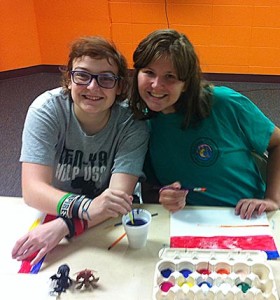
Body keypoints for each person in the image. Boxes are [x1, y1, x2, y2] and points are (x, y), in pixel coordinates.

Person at [12, 36, 149, 265]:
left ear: (119, 87)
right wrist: (87, 208)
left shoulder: (132, 123)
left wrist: (65, 226)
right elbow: (33, 190)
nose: (92, 87)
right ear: (69, 80)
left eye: (106, 79)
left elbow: (116, 201)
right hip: (54, 207)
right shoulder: (46, 110)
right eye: (83, 76)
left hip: (106, 221)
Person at [129, 29, 280, 220]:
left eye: (170, 77)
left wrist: (273, 199)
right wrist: (164, 197)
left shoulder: (224, 103)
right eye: (149, 72)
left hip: (247, 215)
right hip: (189, 221)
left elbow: (277, 142)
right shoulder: (140, 123)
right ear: (137, 74)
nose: (156, 85)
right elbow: (150, 188)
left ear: (186, 83)